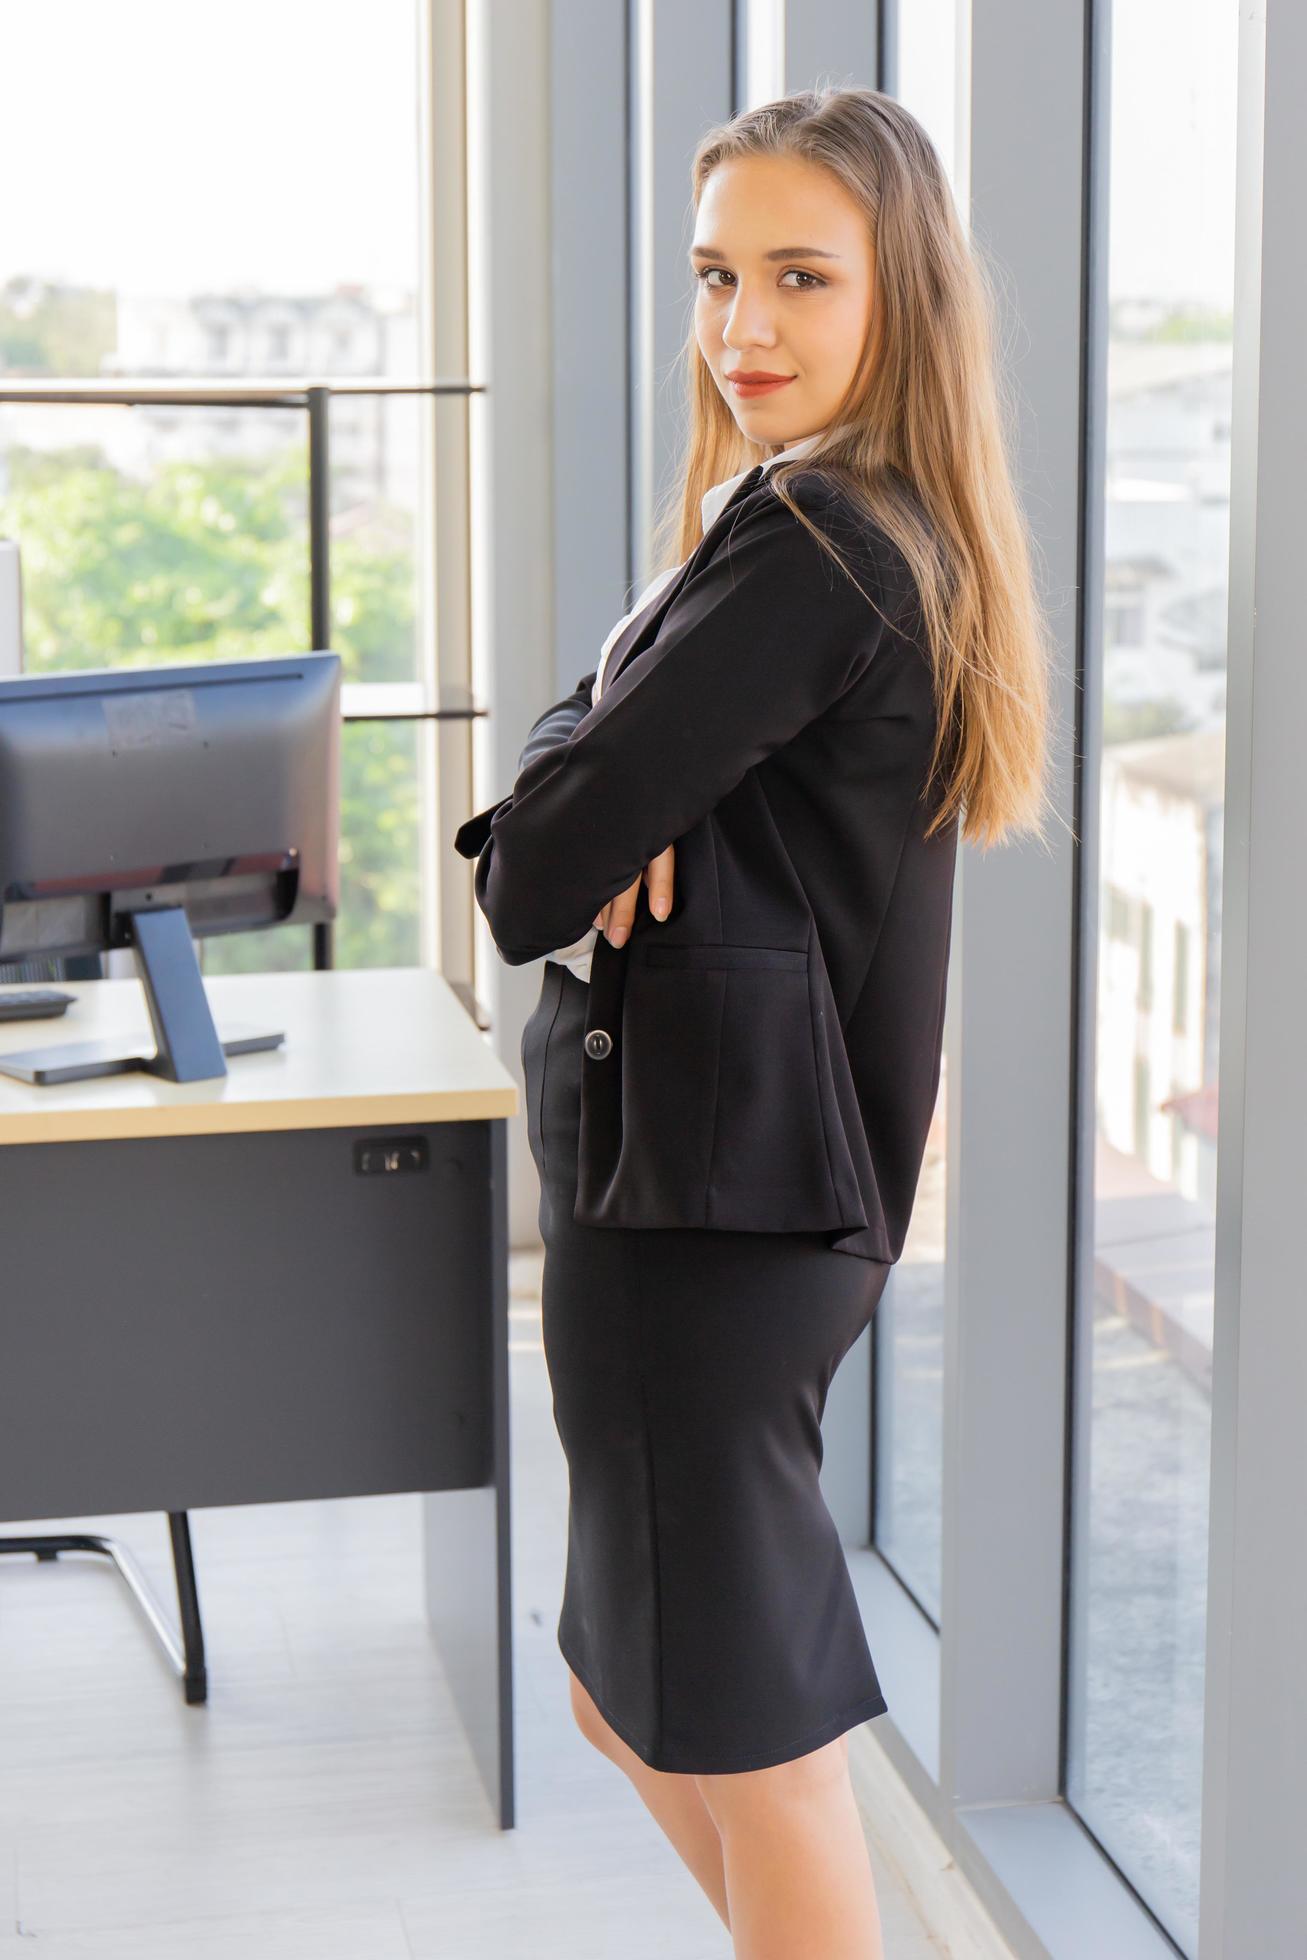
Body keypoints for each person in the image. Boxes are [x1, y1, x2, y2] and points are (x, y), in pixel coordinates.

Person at [457, 85, 1053, 1960]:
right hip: (707, 1202)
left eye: (803, 278)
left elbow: (529, 872)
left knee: (747, 1733)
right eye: (720, 277)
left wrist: (600, 798)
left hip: (714, 1223)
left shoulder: (821, 546)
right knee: (632, 1701)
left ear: (902, 297)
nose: (745, 329)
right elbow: (575, 794)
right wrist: (607, 780)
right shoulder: (789, 521)